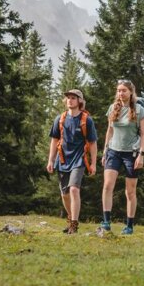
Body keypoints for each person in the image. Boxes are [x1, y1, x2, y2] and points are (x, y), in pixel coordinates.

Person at [47, 89, 98, 235]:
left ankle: (74, 225)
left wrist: (93, 163)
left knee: (74, 189)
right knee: (64, 194)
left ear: (80, 101)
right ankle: (70, 219)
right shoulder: (60, 119)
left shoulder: (86, 120)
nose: (70, 100)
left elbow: (93, 143)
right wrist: (51, 160)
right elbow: (54, 140)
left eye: (73, 98)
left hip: (79, 159)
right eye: (68, 98)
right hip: (62, 160)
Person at [101, 79, 144, 235]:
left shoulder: (140, 110)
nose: (121, 93)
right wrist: (105, 150)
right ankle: (106, 222)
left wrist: (141, 155)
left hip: (132, 153)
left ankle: (129, 225)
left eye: (124, 90)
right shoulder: (113, 108)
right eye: (118, 90)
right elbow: (110, 130)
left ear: (130, 92)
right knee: (108, 185)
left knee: (130, 191)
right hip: (113, 151)